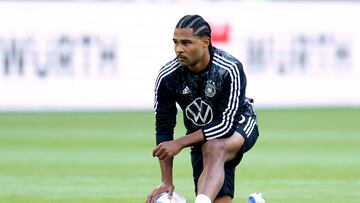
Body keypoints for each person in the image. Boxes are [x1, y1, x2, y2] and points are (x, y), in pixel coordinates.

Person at [146, 14, 259, 203]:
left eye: (186, 43)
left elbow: (225, 125)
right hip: (200, 134)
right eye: (175, 43)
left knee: (214, 146)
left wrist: (180, 142)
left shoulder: (229, 68)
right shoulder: (168, 77)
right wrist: (166, 181)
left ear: (205, 42)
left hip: (239, 124)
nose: (179, 49)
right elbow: (164, 128)